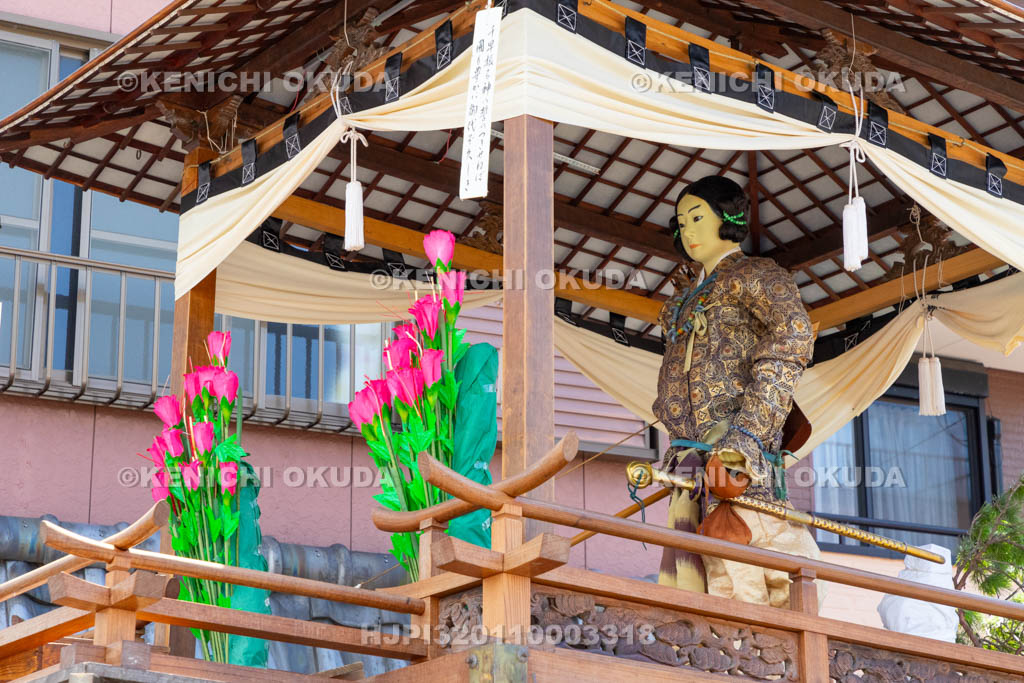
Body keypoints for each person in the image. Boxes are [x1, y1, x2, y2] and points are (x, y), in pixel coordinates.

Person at [654, 175, 820, 608]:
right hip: (688, 462)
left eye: (697, 217)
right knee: (693, 570)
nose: (688, 230)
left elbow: (793, 336)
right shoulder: (683, 300)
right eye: (681, 222)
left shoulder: (755, 274)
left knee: (744, 564)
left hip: (739, 454)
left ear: (727, 218)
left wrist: (747, 432)